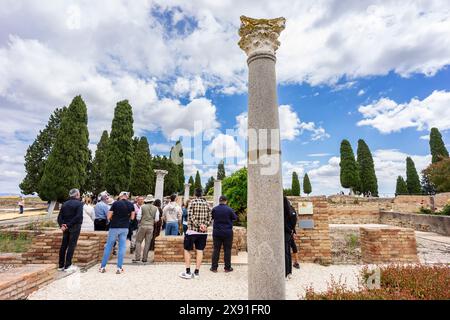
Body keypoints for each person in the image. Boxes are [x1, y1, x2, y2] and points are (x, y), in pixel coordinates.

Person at [99, 192, 135, 274]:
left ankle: (103, 267)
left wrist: (113, 218)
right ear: (127, 196)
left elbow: (108, 216)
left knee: (109, 246)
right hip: (125, 227)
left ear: (120, 196)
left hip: (114, 226)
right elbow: (132, 217)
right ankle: (119, 268)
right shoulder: (131, 204)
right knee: (122, 247)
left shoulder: (115, 203)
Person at [179, 188, 212, 280]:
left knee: (187, 250)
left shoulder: (192, 203)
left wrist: (199, 225)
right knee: (200, 250)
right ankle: (196, 272)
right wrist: (204, 225)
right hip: (203, 232)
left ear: (194, 194)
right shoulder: (207, 204)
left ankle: (188, 272)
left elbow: (190, 216)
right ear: (202, 194)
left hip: (192, 231)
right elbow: (210, 216)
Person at [57, 189, 84, 273]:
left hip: (65, 227)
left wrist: (62, 225)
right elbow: (78, 217)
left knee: (64, 245)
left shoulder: (65, 203)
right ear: (77, 195)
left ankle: (61, 265)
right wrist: (68, 225)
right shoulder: (79, 204)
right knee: (71, 246)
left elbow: (59, 217)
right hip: (74, 227)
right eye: (79, 194)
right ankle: (68, 265)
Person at [210, 195, 237, 273]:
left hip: (217, 232)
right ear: (226, 201)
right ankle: (227, 268)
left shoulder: (214, 209)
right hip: (227, 233)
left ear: (219, 201)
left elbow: (211, 217)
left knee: (216, 250)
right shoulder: (229, 209)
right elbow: (235, 218)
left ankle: (214, 268)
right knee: (227, 250)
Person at [133, 195, 158, 263]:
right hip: (150, 226)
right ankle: (145, 258)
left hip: (142, 225)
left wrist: (141, 221)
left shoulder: (142, 207)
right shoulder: (156, 208)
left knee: (138, 241)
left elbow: (138, 217)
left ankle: (137, 257)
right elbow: (157, 219)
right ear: (152, 201)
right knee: (147, 243)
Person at [283, 196, 297, 279]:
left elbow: (283, 223)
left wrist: (288, 230)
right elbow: (295, 221)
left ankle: (286, 272)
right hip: (290, 234)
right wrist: (292, 231)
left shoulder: (285, 211)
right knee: (288, 253)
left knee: (285, 253)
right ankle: (289, 272)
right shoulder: (292, 209)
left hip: (285, 233)